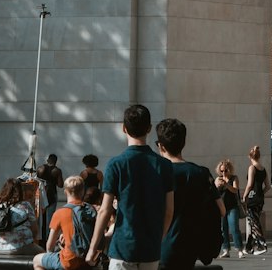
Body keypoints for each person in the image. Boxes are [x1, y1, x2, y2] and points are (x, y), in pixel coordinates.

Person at [86, 102, 175, 269]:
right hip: (150, 248)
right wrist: (158, 239)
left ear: (123, 128)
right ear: (149, 128)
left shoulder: (116, 164)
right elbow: (169, 211)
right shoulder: (164, 165)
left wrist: (93, 248)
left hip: (123, 246)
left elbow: (104, 210)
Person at [155, 117, 223, 270]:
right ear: (183, 143)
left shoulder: (157, 172)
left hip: (160, 248)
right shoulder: (200, 173)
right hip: (190, 248)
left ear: (161, 146)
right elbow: (217, 211)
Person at [34, 174, 97, 270]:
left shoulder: (60, 212)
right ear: (83, 191)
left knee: (37, 260)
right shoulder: (90, 209)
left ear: (65, 192)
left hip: (69, 260)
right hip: (89, 259)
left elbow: (50, 245)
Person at [0, 176, 41, 256]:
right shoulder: (25, 205)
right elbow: (35, 231)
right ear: (20, 191)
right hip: (20, 247)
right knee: (43, 256)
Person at [242, 144, 270, 254]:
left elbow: (249, 184)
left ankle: (261, 245)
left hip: (252, 198)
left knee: (254, 221)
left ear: (250, 157)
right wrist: (261, 193)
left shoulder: (251, 168)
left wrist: (244, 196)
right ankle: (249, 247)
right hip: (259, 198)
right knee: (252, 221)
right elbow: (267, 186)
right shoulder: (263, 169)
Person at [215, 159, 244, 259]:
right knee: (223, 229)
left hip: (232, 207)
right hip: (222, 207)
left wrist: (227, 185)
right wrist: (218, 185)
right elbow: (214, 192)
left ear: (229, 170)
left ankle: (239, 249)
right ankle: (226, 249)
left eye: (226, 170)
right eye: (222, 171)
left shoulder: (234, 178)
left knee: (234, 228)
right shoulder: (218, 179)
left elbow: (235, 190)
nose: (224, 173)